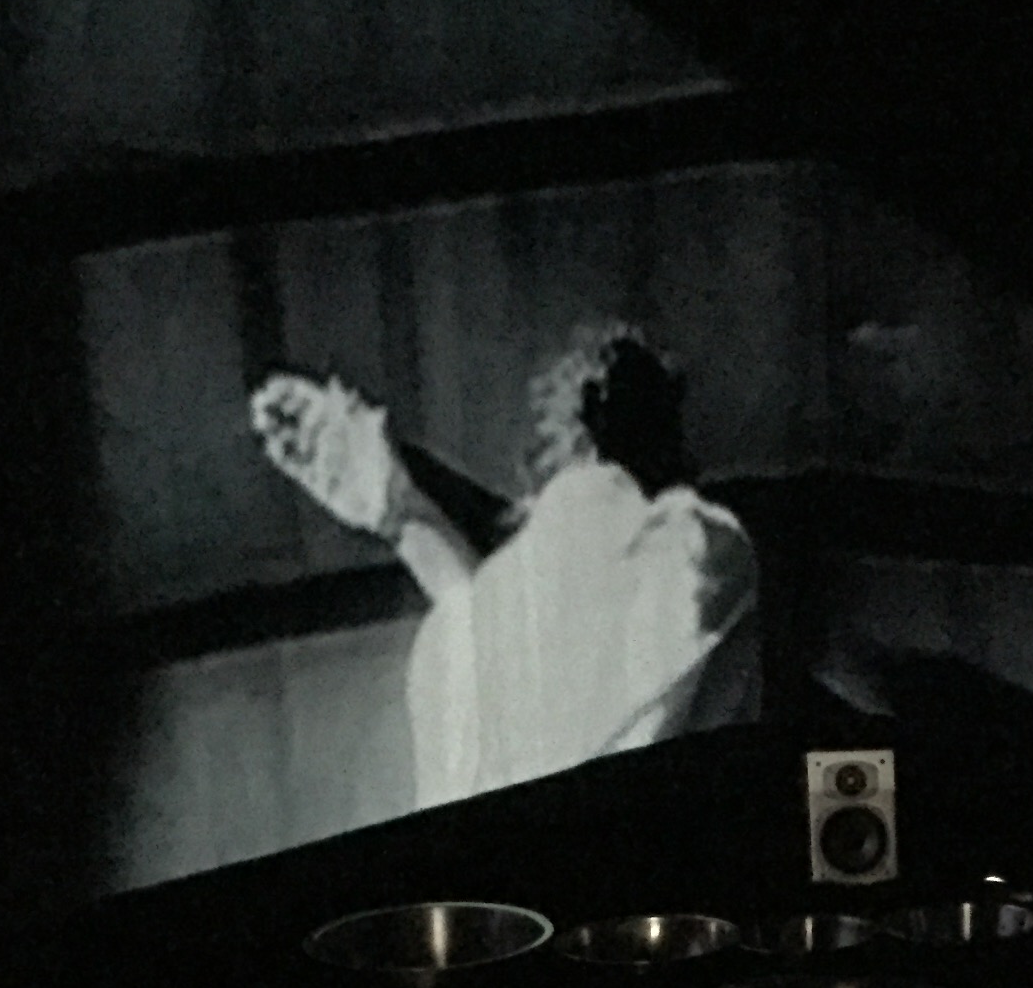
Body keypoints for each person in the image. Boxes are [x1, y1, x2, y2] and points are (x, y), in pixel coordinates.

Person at [249, 324, 759, 813]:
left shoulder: (455, 646)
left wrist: (404, 515)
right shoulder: (703, 545)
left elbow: (486, 626)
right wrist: (405, 513)